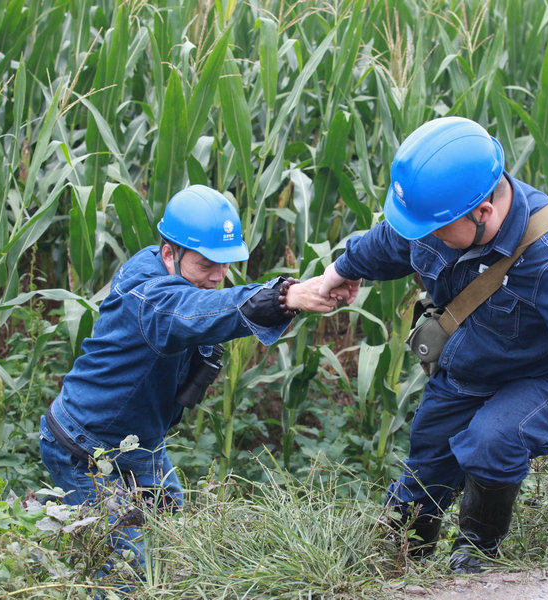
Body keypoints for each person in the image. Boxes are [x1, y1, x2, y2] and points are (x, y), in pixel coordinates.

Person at [318, 117, 548, 573]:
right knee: (425, 473)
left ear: (483, 213)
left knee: (492, 438)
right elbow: (395, 238)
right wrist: (342, 270)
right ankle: (399, 561)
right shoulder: (441, 219)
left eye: (434, 229)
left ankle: (476, 557)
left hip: (542, 378)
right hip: (467, 369)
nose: (425, 237)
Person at [39, 184, 335, 571]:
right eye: (206, 265)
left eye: (225, 265)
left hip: (141, 445)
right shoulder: (150, 297)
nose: (218, 277)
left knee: (177, 542)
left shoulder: (172, 273)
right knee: (126, 571)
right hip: (85, 449)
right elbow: (195, 310)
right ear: (168, 253)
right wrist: (284, 297)